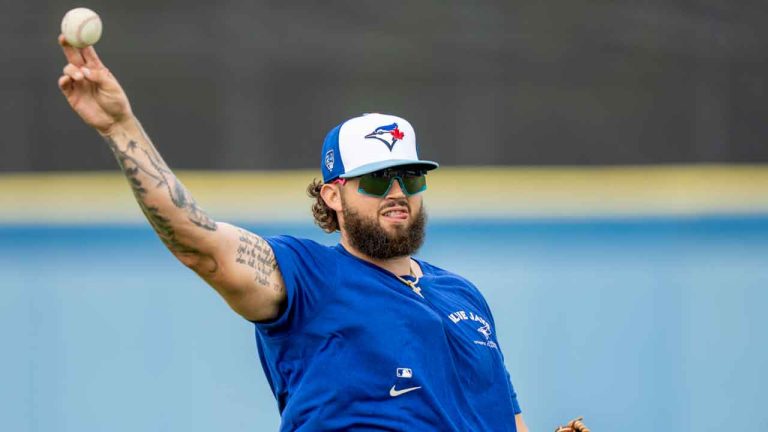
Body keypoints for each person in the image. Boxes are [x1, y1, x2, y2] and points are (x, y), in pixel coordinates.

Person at [57, 35, 530, 432]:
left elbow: (509, 420)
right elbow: (199, 244)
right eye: (375, 179)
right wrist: (121, 127)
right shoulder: (308, 276)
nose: (397, 191)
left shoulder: (462, 295)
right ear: (331, 196)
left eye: (410, 176)